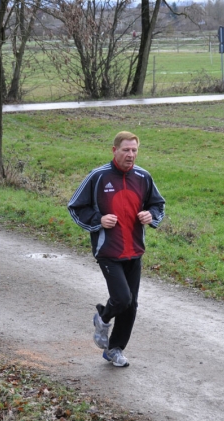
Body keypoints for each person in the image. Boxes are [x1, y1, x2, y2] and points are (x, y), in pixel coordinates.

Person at [68, 131, 165, 367]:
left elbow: (157, 204)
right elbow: (75, 207)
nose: (130, 155)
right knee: (122, 298)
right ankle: (103, 317)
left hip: (134, 250)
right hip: (108, 250)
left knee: (131, 305)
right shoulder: (98, 177)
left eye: (134, 150)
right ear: (114, 150)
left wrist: (150, 215)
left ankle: (115, 350)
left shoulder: (143, 176)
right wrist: (98, 220)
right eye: (126, 150)